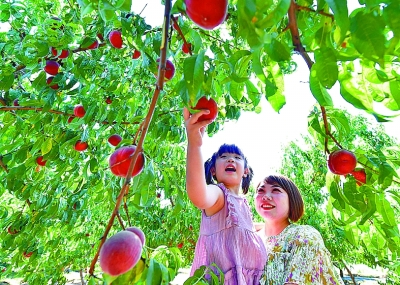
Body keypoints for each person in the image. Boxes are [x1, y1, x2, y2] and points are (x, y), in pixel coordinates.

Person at [183, 107, 267, 285]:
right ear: (213, 170)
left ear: (245, 171)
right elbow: (199, 195)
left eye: (237, 157)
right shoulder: (218, 195)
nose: (230, 159)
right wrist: (195, 144)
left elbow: (249, 229)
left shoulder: (244, 206)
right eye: (224, 157)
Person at [254, 174, 345, 285]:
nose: (266, 196)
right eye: (260, 190)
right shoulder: (249, 239)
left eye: (276, 190)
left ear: (292, 200)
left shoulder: (304, 235)